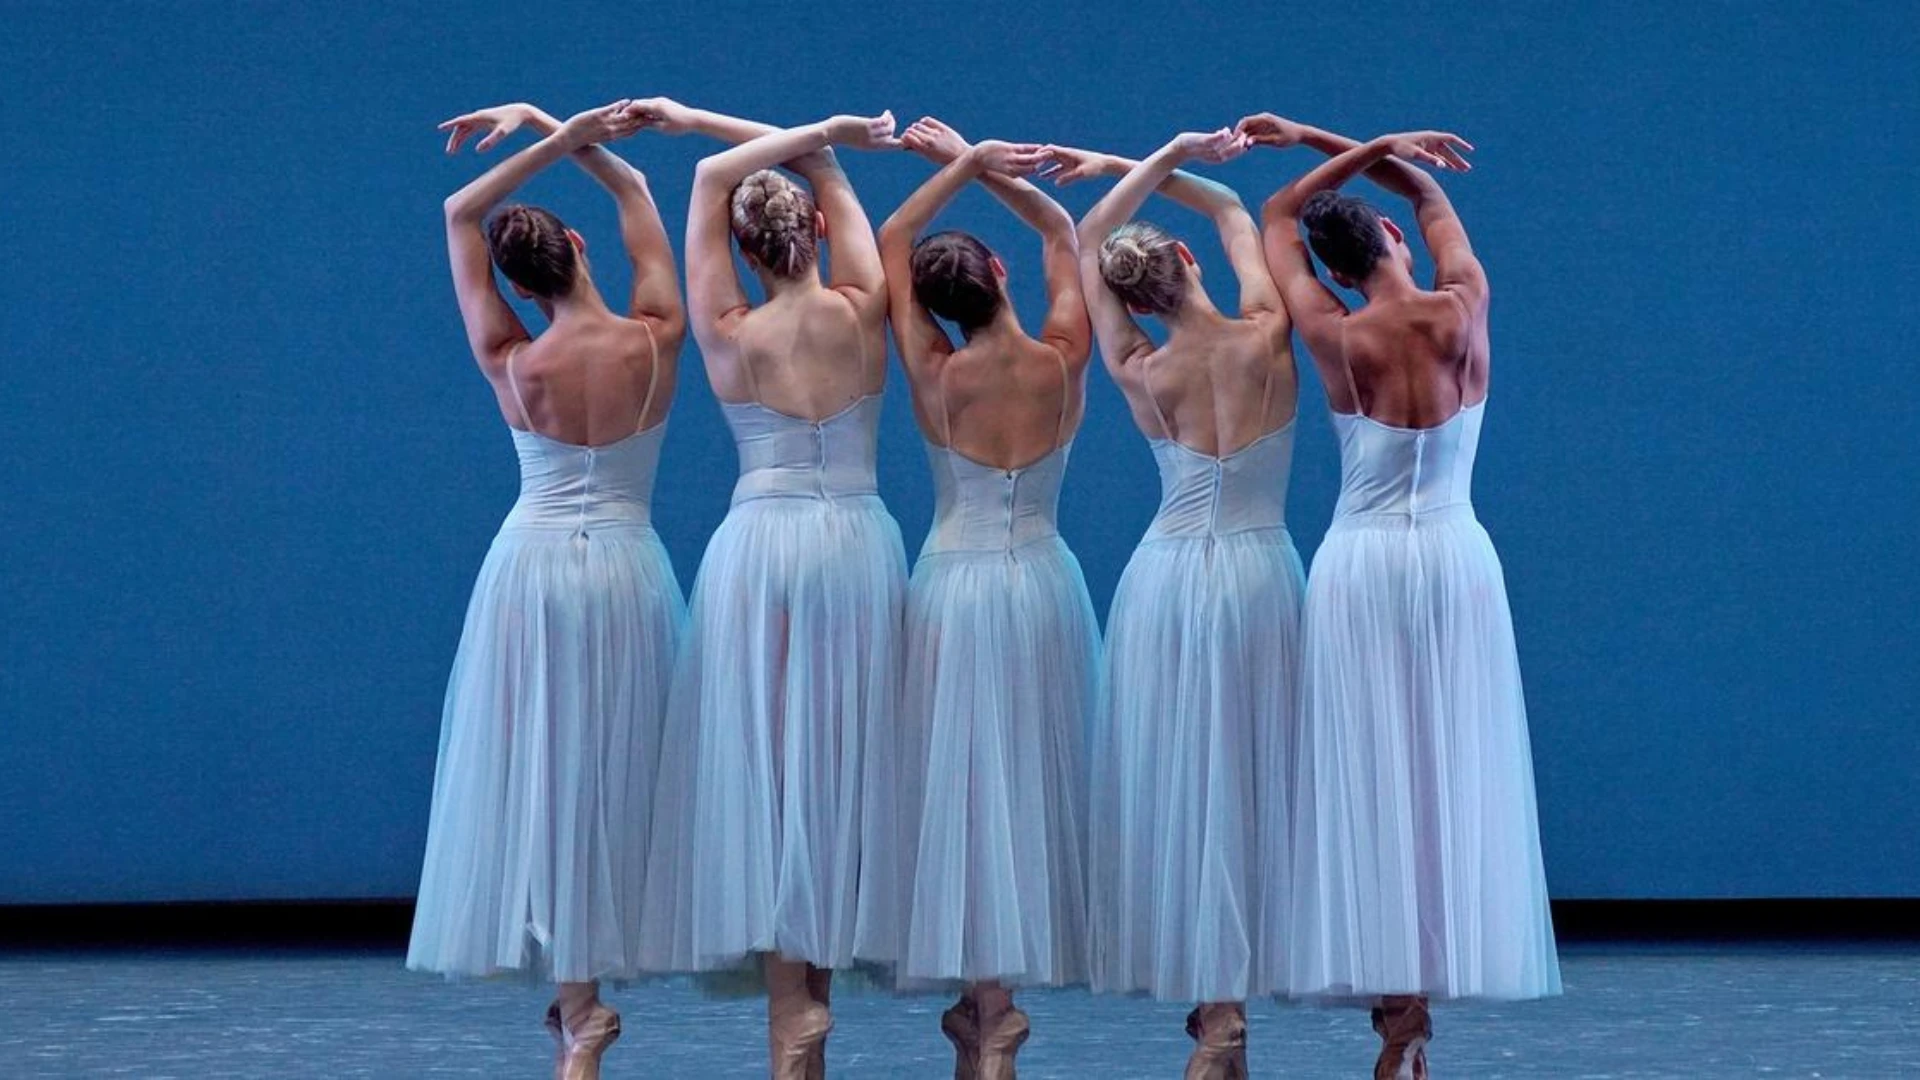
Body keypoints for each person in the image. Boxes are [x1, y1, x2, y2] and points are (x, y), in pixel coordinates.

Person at [1247, 112, 1562, 1078]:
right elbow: (1427, 195)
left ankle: (1397, 1011)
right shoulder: (1465, 303)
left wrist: (1323, 146)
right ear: (1390, 239)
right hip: (1456, 561)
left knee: (1373, 775)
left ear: (1336, 272)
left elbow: (1277, 214)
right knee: (1440, 770)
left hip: (1365, 564)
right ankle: (1412, 1017)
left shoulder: (1336, 332)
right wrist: (1376, 148)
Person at [409, 99, 687, 1080]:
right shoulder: (657, 335)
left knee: (546, 775)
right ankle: (581, 1005)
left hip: (530, 572)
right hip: (623, 567)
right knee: (606, 771)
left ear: (518, 288)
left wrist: (545, 140)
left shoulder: (512, 358)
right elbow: (638, 186)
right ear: (578, 247)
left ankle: (580, 1008)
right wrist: (557, 128)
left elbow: (458, 213)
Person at [636, 111, 907, 1080]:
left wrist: (685, 122)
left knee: (774, 775)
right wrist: (825, 135)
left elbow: (710, 179)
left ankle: (795, 1013)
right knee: (840, 766)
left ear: (742, 252)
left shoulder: (729, 329)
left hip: (760, 551)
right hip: (856, 545)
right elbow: (823, 162)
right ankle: (812, 997)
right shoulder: (863, 306)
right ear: (819, 232)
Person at [1055, 127, 1303, 1079]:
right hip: (1255, 573)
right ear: (1189, 263)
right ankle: (1225, 1014)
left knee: (1188, 786)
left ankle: (1218, 1009)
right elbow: (1233, 207)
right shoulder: (1266, 331)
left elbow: (1086, 239)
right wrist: (1151, 162)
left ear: (1128, 300)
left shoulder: (1137, 367)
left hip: (1165, 582)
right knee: (1245, 782)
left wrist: (1147, 163)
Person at [878, 117, 1099, 1080]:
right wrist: (978, 159)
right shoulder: (1063, 356)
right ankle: (990, 1006)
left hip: (956, 590)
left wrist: (957, 166)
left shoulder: (935, 372)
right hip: (1041, 584)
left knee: (966, 792)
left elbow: (892, 237)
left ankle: (989, 1005)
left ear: (934, 309)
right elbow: (1063, 232)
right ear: (1003, 277)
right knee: (1020, 790)